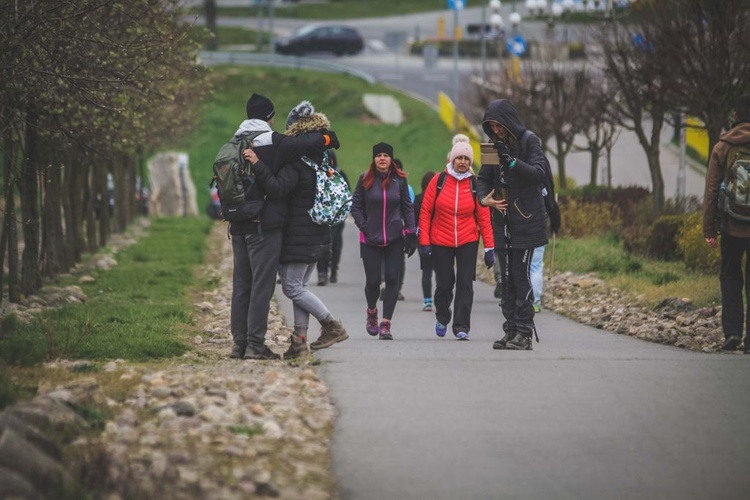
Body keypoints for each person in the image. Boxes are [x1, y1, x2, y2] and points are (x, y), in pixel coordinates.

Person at [228, 93, 339, 360]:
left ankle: (238, 345)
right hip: (264, 227)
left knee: (241, 285)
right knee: (261, 287)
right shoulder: (275, 142)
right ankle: (255, 345)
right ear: (270, 117)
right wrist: (327, 138)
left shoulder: (232, 142)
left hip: (237, 223)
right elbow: (321, 140)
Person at [476, 99, 549, 351]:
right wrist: (485, 199)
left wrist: (513, 163)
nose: (496, 131)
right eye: (492, 127)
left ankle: (524, 332)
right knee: (505, 280)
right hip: (502, 222)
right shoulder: (493, 147)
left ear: (508, 121)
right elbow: (483, 178)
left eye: (499, 125)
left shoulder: (530, 141)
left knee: (520, 276)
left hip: (527, 222)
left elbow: (539, 173)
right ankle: (510, 329)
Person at [418, 137, 495, 340]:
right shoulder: (439, 181)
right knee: (444, 284)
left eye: (466, 159)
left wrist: (489, 248)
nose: (462, 162)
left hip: (467, 240)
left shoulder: (475, 184)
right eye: (459, 158)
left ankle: (462, 326)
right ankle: (443, 316)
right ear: (452, 159)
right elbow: (425, 212)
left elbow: (484, 217)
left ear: (470, 162)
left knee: (465, 284)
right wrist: (424, 242)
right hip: (440, 239)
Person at [350, 142, 417, 340]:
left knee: (392, 279)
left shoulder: (400, 181)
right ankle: (372, 312)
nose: (382, 158)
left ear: (390, 159)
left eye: (385, 155)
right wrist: (364, 225)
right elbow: (355, 206)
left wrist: (411, 232)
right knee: (372, 282)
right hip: (370, 238)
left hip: (395, 238)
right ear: (374, 159)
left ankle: (386, 324)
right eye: (378, 155)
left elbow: (407, 208)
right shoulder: (365, 179)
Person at [703, 93, 750, 354]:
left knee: (731, 276)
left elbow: (711, 191)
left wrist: (709, 230)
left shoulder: (723, 145)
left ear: (735, 115)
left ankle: (732, 332)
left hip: (731, 225)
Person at [316, 150, 349, 286]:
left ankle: (333, 268)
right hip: (321, 217)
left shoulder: (340, 174)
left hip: (337, 217)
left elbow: (348, 194)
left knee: (335, 245)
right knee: (321, 245)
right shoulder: (317, 175)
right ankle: (322, 272)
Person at [413, 170, 437, 311]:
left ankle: (427, 300)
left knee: (426, 271)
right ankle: (441, 298)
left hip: (422, 239)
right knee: (441, 271)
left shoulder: (417, 199)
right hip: (439, 239)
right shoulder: (439, 198)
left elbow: (414, 222)